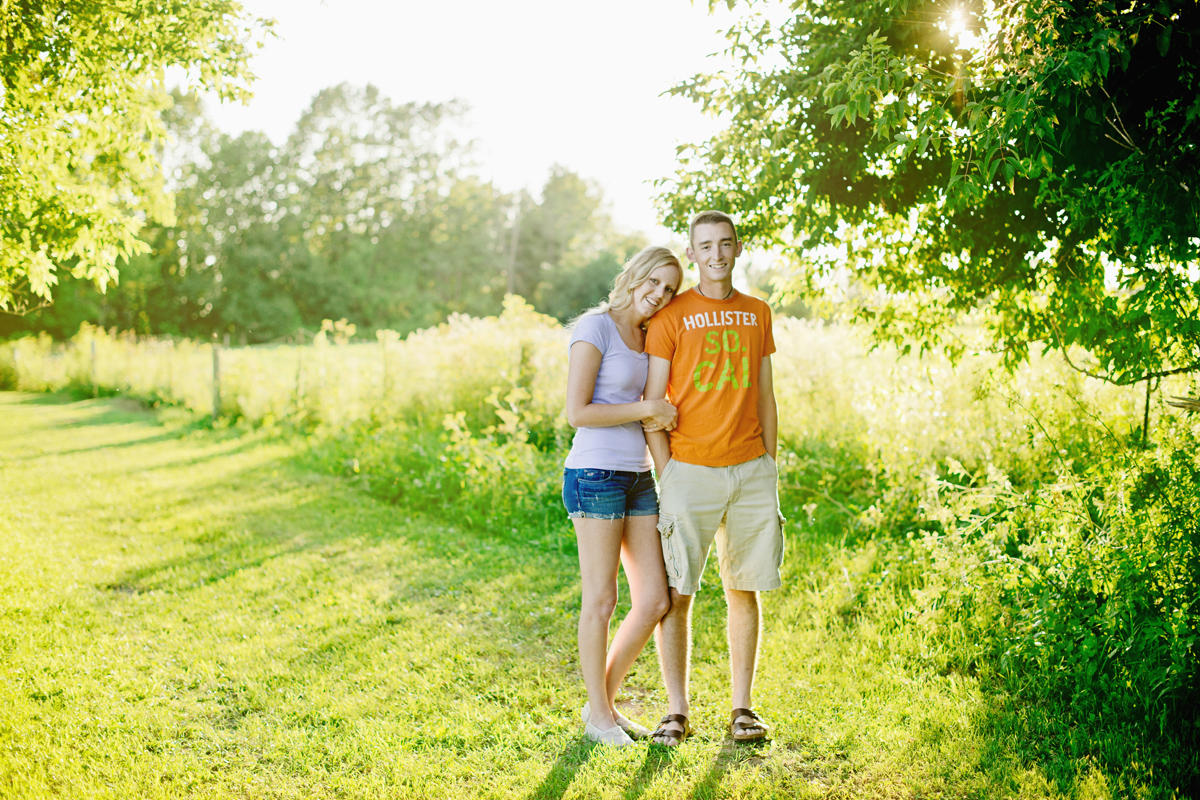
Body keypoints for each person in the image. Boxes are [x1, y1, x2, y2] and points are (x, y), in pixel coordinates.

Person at [642, 210, 783, 746]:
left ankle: (743, 708)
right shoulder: (672, 316)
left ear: (737, 248)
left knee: (744, 589)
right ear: (694, 253)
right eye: (706, 246)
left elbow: (765, 394)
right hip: (689, 471)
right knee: (679, 592)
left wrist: (769, 461)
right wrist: (667, 469)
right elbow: (655, 403)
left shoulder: (758, 312)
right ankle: (676, 711)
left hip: (751, 471)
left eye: (725, 244)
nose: (717, 254)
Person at [562, 245, 685, 747]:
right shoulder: (595, 327)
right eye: (653, 282)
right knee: (602, 598)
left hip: (637, 477)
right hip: (594, 473)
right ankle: (601, 717)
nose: (659, 295)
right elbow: (578, 411)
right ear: (634, 277)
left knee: (655, 598)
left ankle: (600, 709)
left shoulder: (649, 334)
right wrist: (647, 407)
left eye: (669, 289)